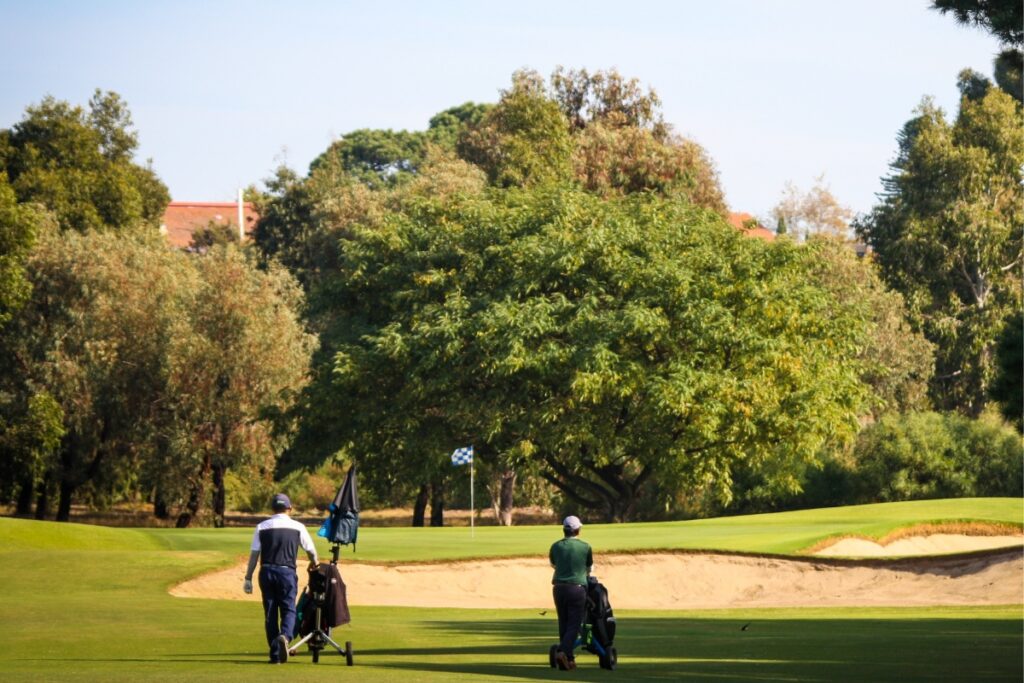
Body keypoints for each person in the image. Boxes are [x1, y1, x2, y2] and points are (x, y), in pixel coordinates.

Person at [243, 493, 318, 664]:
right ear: (289, 508)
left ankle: (275, 654)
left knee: (270, 613)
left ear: (272, 508)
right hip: (287, 573)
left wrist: (248, 578)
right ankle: (284, 636)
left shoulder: (262, 527)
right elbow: (311, 551)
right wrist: (315, 564)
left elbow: (254, 555)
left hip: (266, 571)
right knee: (289, 609)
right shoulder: (298, 527)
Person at [548, 515, 593, 671]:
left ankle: (570, 659)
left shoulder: (555, 546)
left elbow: (553, 564)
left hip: (558, 588)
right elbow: (589, 568)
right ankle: (562, 652)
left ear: (564, 529)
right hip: (577, 588)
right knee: (574, 624)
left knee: (564, 623)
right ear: (577, 530)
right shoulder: (585, 546)